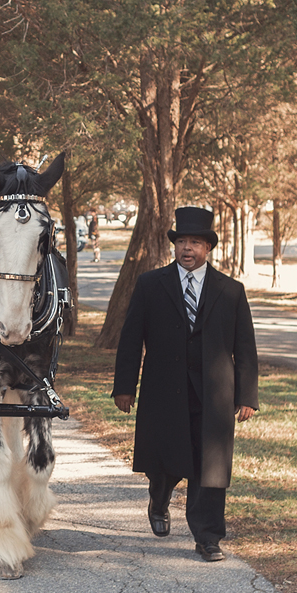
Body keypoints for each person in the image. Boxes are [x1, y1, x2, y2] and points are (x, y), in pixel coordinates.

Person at [111, 207, 259, 562]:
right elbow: (132, 339)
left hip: (215, 393)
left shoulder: (231, 291)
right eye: (181, 242)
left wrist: (247, 395)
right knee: (164, 460)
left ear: (208, 248)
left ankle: (208, 537)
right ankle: (159, 499)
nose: (187, 248)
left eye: (195, 242)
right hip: (164, 389)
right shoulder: (151, 284)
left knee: (210, 466)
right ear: (174, 246)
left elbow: (245, 347)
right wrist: (124, 386)